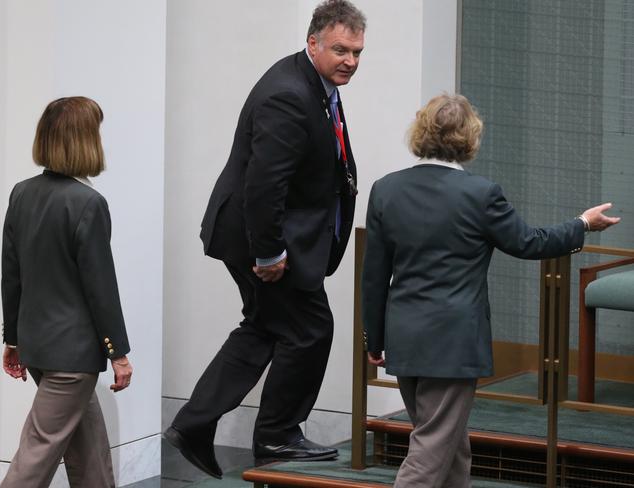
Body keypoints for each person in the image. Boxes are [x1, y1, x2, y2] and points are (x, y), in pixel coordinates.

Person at [361, 93, 620, 488]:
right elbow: (529, 243)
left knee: (449, 445)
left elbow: (374, 274)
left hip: (406, 337)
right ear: (469, 138)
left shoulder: (386, 190)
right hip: (454, 341)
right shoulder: (479, 194)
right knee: (432, 448)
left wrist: (374, 338)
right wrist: (582, 224)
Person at [164, 0, 366, 478]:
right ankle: (275, 435)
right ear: (313, 43)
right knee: (309, 328)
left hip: (268, 234)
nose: (351, 61)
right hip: (262, 238)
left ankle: (194, 423)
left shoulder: (313, 83)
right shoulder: (289, 94)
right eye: (341, 50)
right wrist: (269, 253)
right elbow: (264, 184)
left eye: (358, 52)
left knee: (264, 326)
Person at [0, 96, 133, 488]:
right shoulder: (88, 203)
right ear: (85, 141)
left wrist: (13, 339)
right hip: (71, 359)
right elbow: (100, 287)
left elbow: (12, 275)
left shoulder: (22, 193)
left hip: (41, 350)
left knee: (88, 450)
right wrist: (119, 354)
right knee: (37, 453)